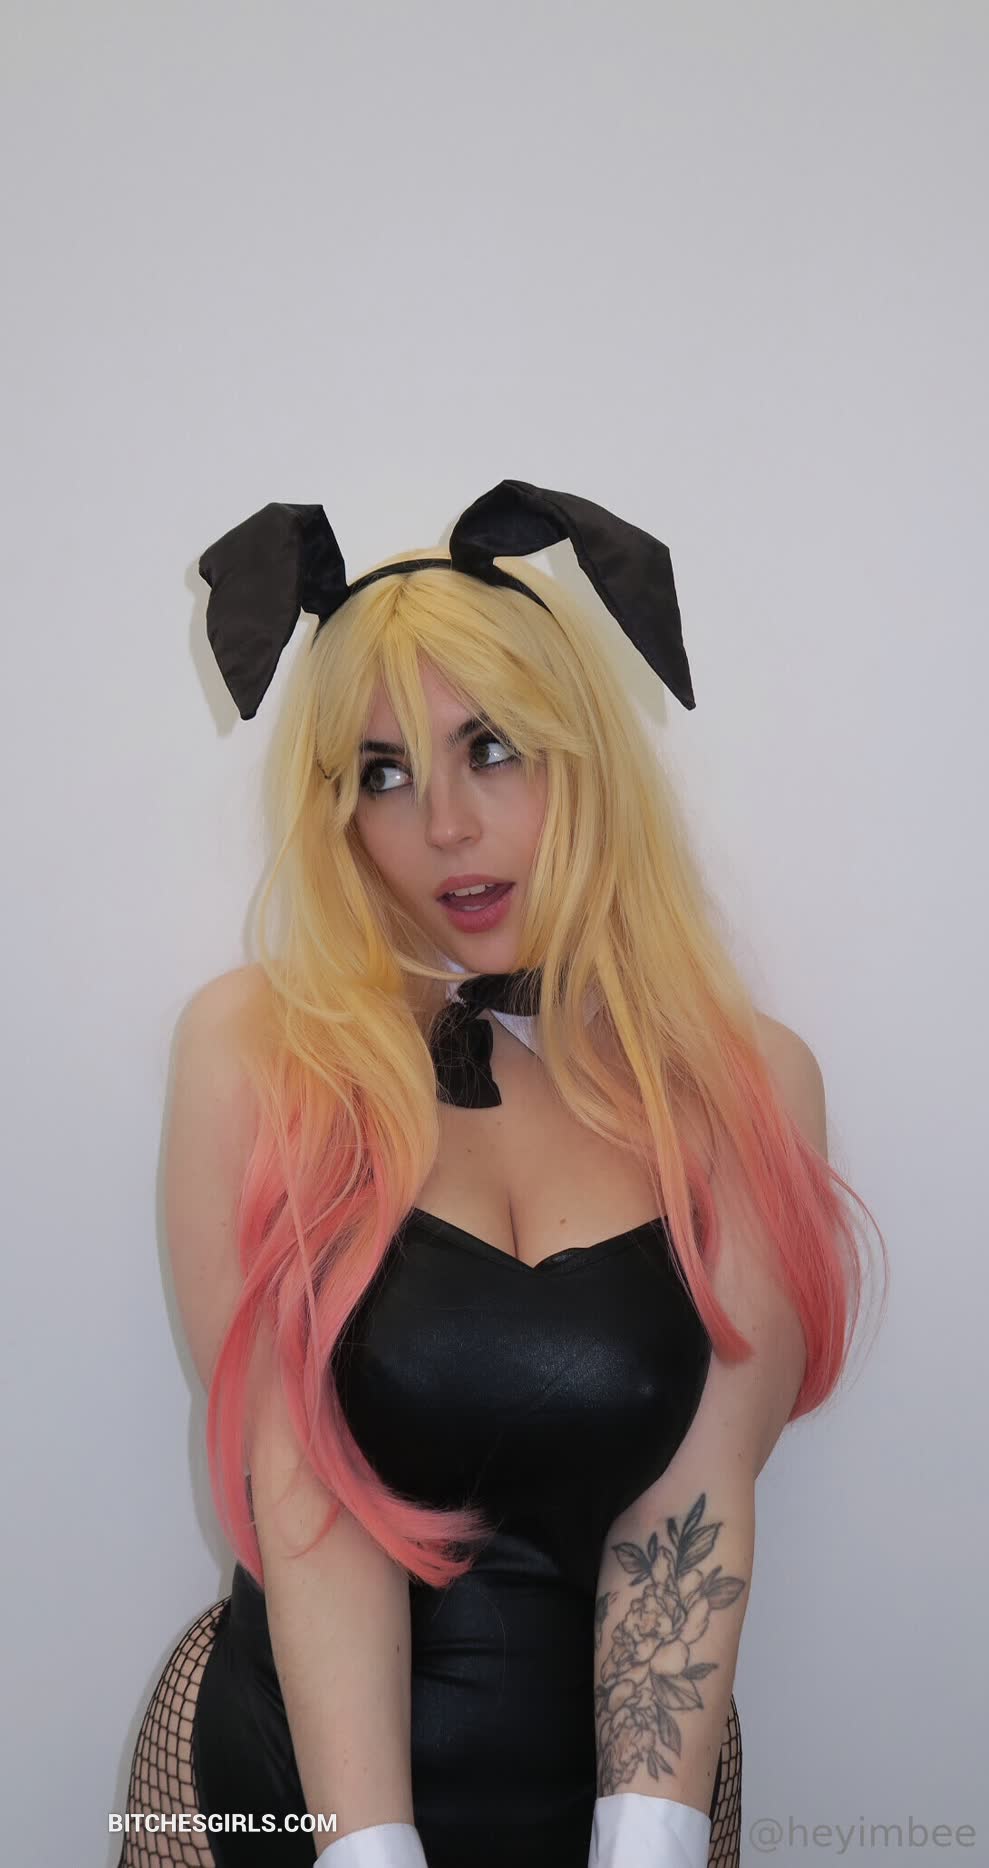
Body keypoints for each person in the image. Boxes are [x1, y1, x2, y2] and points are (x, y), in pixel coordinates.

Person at [117, 482, 885, 1868]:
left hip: (629, 1789)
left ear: (583, 755)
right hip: (282, 1793)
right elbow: (304, 1488)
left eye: (492, 750)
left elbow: (693, 1501)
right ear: (336, 813)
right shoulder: (255, 1049)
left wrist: (646, 1843)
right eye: (384, 774)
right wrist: (368, 1856)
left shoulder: (749, 1085)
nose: (447, 827)